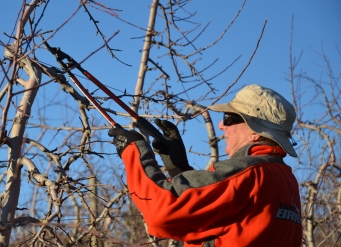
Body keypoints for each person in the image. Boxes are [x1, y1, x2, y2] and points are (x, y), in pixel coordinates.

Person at [108, 84, 302, 247]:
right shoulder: (285, 180)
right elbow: (219, 222)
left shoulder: (248, 173)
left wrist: (135, 151)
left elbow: (163, 213)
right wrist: (179, 169)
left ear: (255, 133)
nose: (221, 125)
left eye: (230, 118)